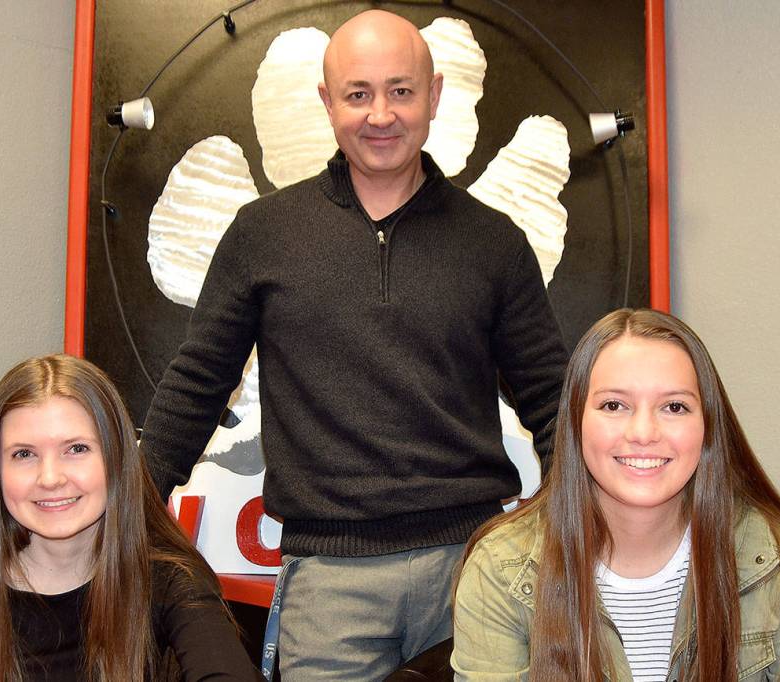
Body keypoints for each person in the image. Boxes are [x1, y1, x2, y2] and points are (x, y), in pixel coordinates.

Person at [139, 8, 568, 680]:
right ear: (326, 102)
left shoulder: (495, 243)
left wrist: (582, 526)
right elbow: (198, 381)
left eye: (401, 90)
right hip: (329, 584)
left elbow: (552, 399)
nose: (381, 114)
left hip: (473, 569)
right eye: (358, 94)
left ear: (435, 95)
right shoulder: (262, 234)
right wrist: (123, 514)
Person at [452, 308, 780, 681]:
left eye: (674, 407)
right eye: (614, 405)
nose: (643, 433)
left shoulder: (778, 561)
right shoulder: (501, 569)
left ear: (708, 428)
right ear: (575, 423)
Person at [0, 354, 263, 682]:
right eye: (24, 454)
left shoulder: (169, 576)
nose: (50, 478)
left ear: (117, 459)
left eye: (76, 449)